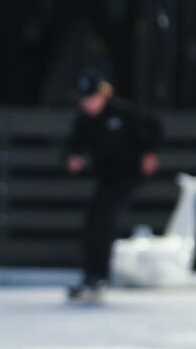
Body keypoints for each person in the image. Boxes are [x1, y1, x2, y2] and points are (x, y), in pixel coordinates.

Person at [61, 69, 163, 302]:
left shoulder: (124, 113)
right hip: (107, 176)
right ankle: (91, 275)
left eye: (93, 97)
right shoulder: (84, 121)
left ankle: (100, 276)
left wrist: (150, 152)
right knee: (92, 221)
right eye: (85, 99)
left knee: (105, 216)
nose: (89, 103)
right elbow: (73, 146)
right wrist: (72, 158)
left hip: (129, 174)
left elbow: (155, 126)